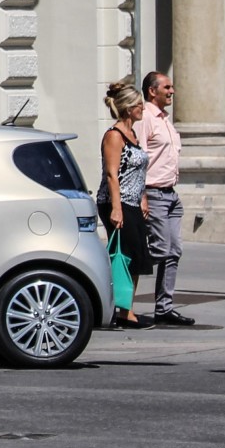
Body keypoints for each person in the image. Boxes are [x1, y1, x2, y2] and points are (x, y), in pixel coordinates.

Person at [134, 71, 195, 327]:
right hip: (154, 192)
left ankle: (164, 308)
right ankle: (121, 289)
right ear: (152, 91)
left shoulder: (166, 120)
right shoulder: (145, 118)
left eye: (172, 87)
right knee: (159, 249)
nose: (172, 91)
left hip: (170, 194)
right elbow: (139, 159)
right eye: (167, 87)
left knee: (174, 251)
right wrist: (142, 195)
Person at [96, 80, 153, 328]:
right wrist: (117, 208)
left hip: (132, 201)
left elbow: (136, 172)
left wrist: (142, 197)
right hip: (115, 202)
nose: (143, 107)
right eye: (139, 104)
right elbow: (112, 174)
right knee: (123, 256)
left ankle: (126, 307)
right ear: (129, 108)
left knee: (136, 256)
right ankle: (121, 311)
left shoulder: (133, 134)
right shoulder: (114, 135)